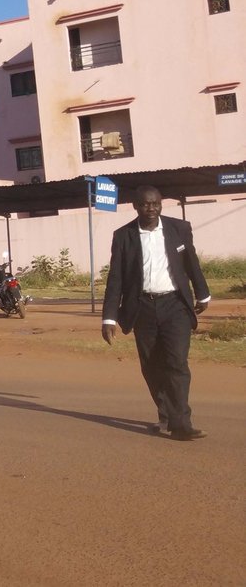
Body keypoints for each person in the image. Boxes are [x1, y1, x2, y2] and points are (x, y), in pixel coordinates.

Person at [101, 185, 210, 441]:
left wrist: (203, 293)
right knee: (151, 365)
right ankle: (166, 414)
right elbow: (115, 278)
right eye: (145, 204)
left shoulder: (178, 229)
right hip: (143, 308)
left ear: (161, 205)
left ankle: (181, 423)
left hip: (175, 305)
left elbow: (191, 263)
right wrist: (109, 317)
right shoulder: (124, 235)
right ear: (136, 206)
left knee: (177, 363)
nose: (151, 209)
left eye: (156, 204)